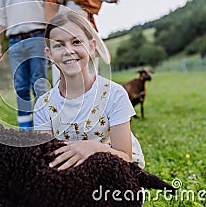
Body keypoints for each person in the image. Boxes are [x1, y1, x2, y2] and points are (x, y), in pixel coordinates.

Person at [33, 11, 145, 170]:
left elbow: (125, 158)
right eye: (59, 45)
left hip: (116, 172)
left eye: (77, 42)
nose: (68, 50)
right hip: (72, 176)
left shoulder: (114, 94)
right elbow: (47, 159)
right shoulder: (43, 105)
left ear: (92, 47)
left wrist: (94, 148)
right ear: (49, 54)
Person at [0, 0, 56, 129]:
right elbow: (0, 14)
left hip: (38, 37)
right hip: (14, 41)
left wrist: (54, 38)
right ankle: (26, 131)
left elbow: (53, 8)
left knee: (40, 85)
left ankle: (43, 129)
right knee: (20, 88)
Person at [45, 0, 103, 85]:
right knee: (62, 79)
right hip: (61, 41)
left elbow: (96, 6)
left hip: (86, 36)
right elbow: (49, 18)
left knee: (91, 77)